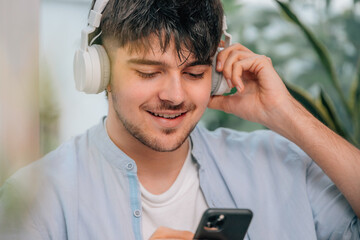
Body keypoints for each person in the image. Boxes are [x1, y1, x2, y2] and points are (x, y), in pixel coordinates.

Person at [0, 0, 359, 239]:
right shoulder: (38, 199)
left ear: (216, 75)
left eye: (195, 73)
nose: (174, 95)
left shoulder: (279, 164)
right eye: (149, 73)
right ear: (99, 71)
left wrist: (287, 114)